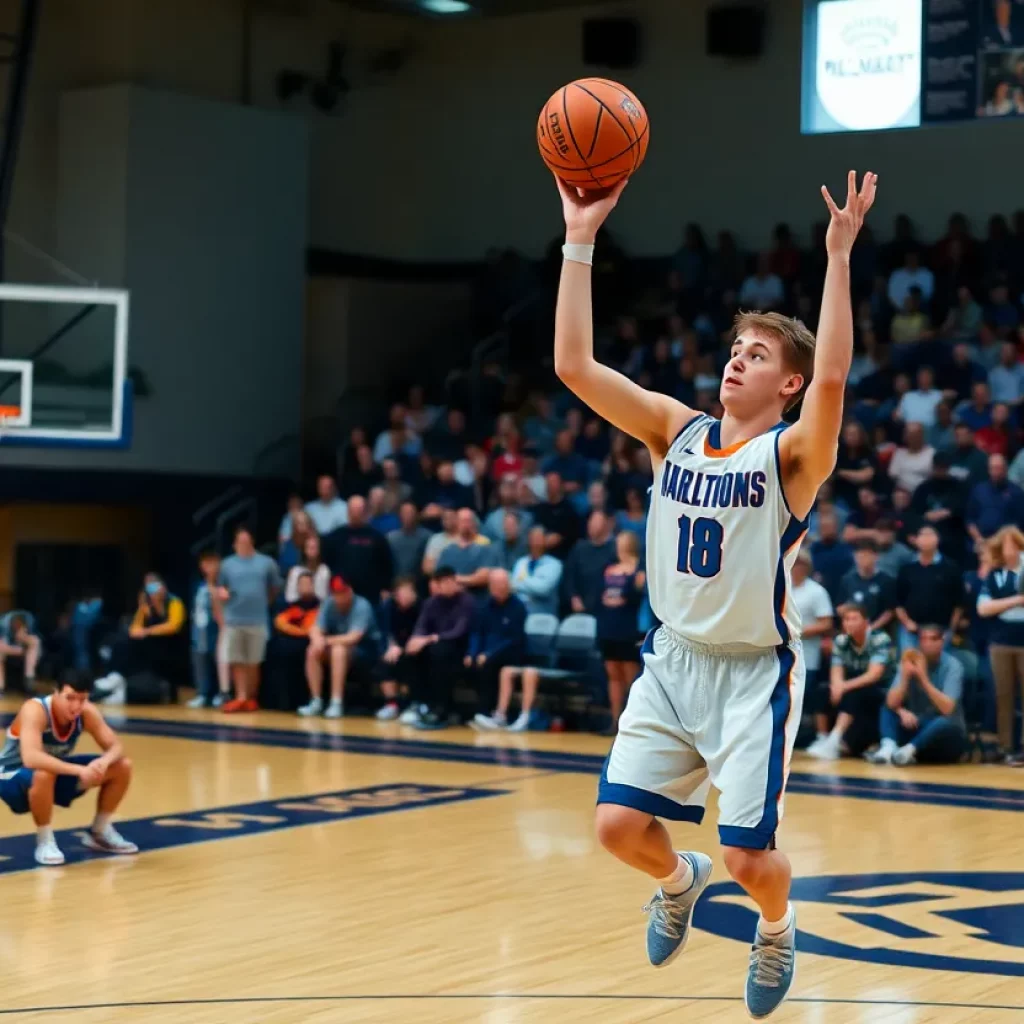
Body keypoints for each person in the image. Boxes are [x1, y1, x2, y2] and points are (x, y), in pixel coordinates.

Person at [551, 166, 877, 1015]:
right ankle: (676, 878)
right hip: (672, 663)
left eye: (759, 355)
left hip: (752, 676)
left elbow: (838, 380)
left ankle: (776, 930)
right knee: (618, 829)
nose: (739, 360)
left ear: (789, 386)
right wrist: (579, 237)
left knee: (751, 863)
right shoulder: (675, 430)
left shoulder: (793, 459)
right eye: (736, 350)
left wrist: (838, 256)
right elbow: (574, 365)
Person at [0, 677, 137, 866]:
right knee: (44, 771)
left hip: (51, 775)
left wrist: (103, 763)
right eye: (70, 698)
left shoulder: (86, 712)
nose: (76, 705)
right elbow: (31, 758)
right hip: (11, 776)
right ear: (55, 693)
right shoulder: (35, 709)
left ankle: (99, 831)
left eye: (82, 699)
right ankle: (45, 841)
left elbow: (116, 746)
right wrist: (79, 770)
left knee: (121, 766)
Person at [866, 629, 967, 765]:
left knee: (944, 722)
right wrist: (904, 681)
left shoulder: (953, 666)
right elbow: (891, 703)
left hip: (945, 736)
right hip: (917, 724)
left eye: (932, 639)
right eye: (923, 639)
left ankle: (909, 751)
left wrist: (923, 679)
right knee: (887, 708)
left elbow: (947, 709)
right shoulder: (911, 660)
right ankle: (888, 749)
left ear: (941, 643)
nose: (926, 644)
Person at [809, 604, 895, 760]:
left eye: (854, 619)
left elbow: (873, 675)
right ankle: (822, 738)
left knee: (853, 694)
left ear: (866, 622)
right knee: (822, 690)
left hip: (882, 689)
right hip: (854, 685)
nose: (849, 623)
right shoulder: (841, 641)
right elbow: (836, 670)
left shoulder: (880, 639)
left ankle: (834, 740)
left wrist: (843, 686)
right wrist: (837, 686)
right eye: (846, 619)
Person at [215, 524, 281, 713]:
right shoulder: (227, 564)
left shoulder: (266, 563)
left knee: (254, 660)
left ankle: (251, 697)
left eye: (246, 540)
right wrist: (223, 595)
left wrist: (263, 602)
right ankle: (240, 696)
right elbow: (221, 588)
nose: (243, 543)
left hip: (257, 619)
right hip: (234, 619)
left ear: (251, 541)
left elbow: (274, 587)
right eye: (240, 541)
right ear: (235, 544)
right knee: (237, 660)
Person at [405, 567, 476, 729]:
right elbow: (421, 626)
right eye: (444, 582)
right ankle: (419, 703)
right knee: (411, 653)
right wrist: (415, 639)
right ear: (437, 585)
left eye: (452, 581)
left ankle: (441, 708)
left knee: (440, 652)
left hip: (461, 649)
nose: (450, 585)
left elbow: (460, 630)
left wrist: (431, 638)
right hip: (436, 646)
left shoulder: (467, 601)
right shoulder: (431, 602)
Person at [976, 526, 1024, 765]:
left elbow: (993, 606)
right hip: (1000, 642)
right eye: (1005, 545)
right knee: (1003, 695)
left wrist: (1000, 604)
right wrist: (1017, 600)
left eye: (1013, 544)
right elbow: (983, 608)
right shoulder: (994, 575)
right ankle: (1005, 746)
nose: (1009, 550)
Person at [299, 576, 377, 719]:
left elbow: (354, 637)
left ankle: (336, 702)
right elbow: (316, 628)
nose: (339, 596)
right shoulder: (328, 603)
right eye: (336, 593)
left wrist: (326, 640)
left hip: (364, 650)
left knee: (338, 650)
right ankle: (316, 701)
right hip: (337, 646)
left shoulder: (362, 605)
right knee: (312, 650)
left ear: (350, 591)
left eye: (342, 592)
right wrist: (317, 639)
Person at [466, 569, 528, 730]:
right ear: (490, 587)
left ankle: (488, 713)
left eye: (504, 583)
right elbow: (476, 632)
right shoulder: (484, 606)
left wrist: (488, 654)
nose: (501, 587)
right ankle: (463, 712)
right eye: (497, 584)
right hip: (486, 652)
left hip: (511, 652)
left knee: (489, 665)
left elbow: (513, 639)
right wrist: (471, 653)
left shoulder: (518, 606)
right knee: (467, 662)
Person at [597, 531, 646, 732]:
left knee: (630, 676)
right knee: (613, 674)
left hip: (628, 626)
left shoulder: (640, 569)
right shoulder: (609, 568)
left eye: (621, 541)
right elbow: (601, 594)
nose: (618, 545)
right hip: (609, 625)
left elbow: (634, 595)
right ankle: (615, 720)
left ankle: (632, 721)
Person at [375, 578, 422, 722]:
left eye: (410, 591)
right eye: (403, 592)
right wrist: (391, 646)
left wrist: (403, 647)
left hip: (415, 647)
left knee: (411, 661)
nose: (407, 595)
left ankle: (410, 704)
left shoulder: (421, 607)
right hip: (395, 646)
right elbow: (384, 631)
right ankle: (391, 704)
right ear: (395, 594)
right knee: (385, 661)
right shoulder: (388, 606)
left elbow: (421, 630)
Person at [187, 550, 226, 709]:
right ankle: (202, 693)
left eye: (212, 563)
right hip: (198, 628)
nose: (208, 567)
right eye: (205, 563)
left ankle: (218, 693)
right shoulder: (197, 585)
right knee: (199, 661)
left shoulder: (221, 586)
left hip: (215, 628)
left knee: (217, 660)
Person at [510, 526, 564, 616]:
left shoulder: (555, 564)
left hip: (543, 616)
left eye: (539, 538)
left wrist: (519, 582)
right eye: (533, 538)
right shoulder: (520, 562)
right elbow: (511, 587)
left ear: (545, 540)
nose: (535, 542)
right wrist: (532, 583)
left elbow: (543, 589)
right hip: (519, 614)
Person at [0, 611, 41, 694]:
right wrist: (21, 651)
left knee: (33, 647)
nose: (17, 626)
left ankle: (29, 683)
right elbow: (2, 647)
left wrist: (23, 638)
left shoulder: (29, 632)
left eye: (20, 624)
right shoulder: (5, 629)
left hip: (25, 659)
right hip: (7, 656)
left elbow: (35, 643)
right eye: (16, 624)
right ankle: (1, 687)